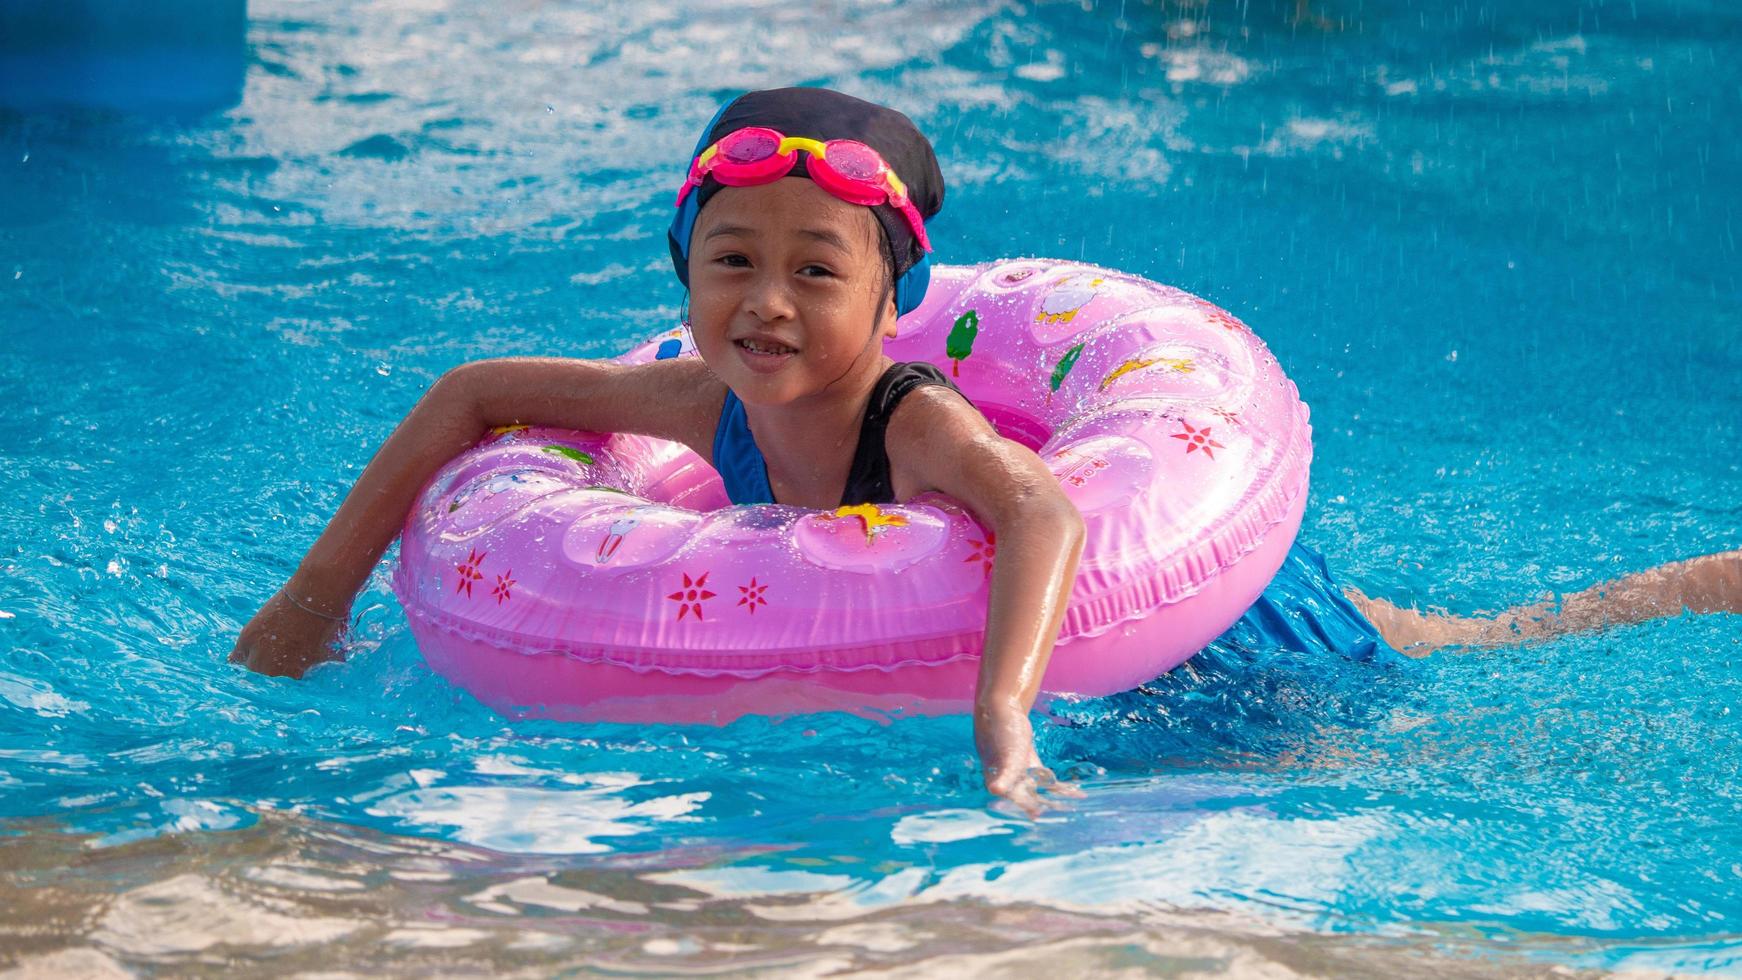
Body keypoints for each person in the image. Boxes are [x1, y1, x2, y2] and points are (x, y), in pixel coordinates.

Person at [230, 86, 1741, 815]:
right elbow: (472, 394)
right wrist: (316, 601)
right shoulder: (703, 410)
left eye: (815, 271)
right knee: (1454, 649)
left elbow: (1038, 513)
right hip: (1089, 648)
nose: (764, 302)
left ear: (893, 297)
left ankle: (1674, 593)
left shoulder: (917, 419)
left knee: (1452, 687)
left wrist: (1004, 719)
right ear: (683, 276)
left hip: (1200, 636)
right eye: (729, 261)